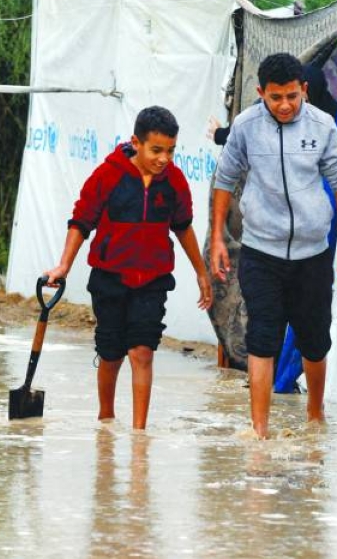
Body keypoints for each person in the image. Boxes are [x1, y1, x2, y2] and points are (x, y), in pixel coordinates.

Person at [208, 53, 337, 439]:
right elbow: (224, 180)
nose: (286, 105)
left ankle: (314, 416)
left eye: (292, 96)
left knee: (315, 340)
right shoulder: (245, 127)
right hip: (261, 252)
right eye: (276, 98)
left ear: (304, 90)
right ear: (261, 94)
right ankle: (259, 432)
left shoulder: (323, 126)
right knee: (262, 338)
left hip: (312, 253)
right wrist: (217, 241)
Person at [44, 106, 213, 431]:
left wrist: (201, 272)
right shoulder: (108, 175)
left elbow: (183, 227)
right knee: (111, 352)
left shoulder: (174, 182)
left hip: (153, 279)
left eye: (171, 150)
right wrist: (64, 265)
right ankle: (106, 418)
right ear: (136, 142)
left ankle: (139, 434)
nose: (164, 158)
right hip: (110, 278)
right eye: (157, 150)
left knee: (143, 351)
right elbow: (81, 221)